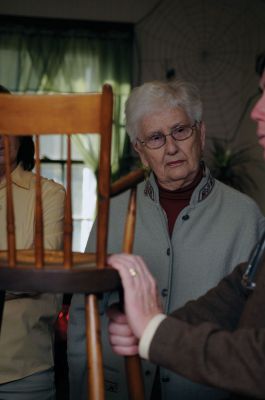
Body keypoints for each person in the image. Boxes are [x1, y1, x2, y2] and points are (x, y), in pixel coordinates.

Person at [68, 80, 265, 400]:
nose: (171, 147)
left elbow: (250, 331)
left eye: (180, 131)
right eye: (156, 138)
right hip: (119, 386)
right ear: (140, 151)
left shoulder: (246, 216)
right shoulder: (113, 212)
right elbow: (82, 316)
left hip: (203, 388)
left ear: (200, 134)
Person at [0, 85, 65, 399]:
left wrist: (23, 274)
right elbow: (20, 275)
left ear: (21, 134)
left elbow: (40, 273)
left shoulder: (49, 195)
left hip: (24, 372)